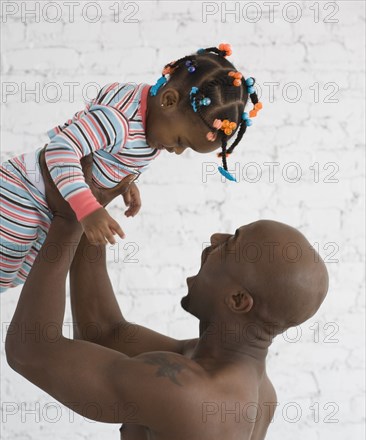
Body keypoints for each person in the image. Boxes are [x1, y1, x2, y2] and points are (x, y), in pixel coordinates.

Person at [5, 170, 329, 440]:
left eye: (230, 244)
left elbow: (30, 351)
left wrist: (64, 221)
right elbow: (103, 332)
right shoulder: (249, 388)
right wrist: (90, 206)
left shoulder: (185, 391)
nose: (215, 240)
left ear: (239, 301)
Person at [0, 43, 263, 292]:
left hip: (48, 212)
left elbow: (110, 154)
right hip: (21, 197)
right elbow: (61, 150)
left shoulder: (153, 125)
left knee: (20, 277)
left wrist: (126, 181)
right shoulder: (119, 119)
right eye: (181, 141)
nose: (177, 151)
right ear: (169, 101)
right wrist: (88, 209)